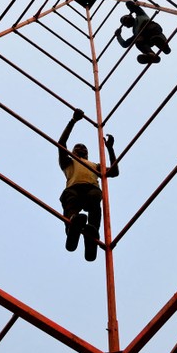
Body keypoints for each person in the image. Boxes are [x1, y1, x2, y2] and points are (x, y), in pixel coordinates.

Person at [58, 108, 119, 261]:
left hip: (91, 188)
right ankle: (72, 225)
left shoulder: (95, 165)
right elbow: (61, 143)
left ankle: (92, 232)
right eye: (77, 147)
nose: (81, 148)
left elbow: (115, 171)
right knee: (70, 199)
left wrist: (110, 149)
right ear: (72, 151)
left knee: (95, 199)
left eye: (84, 147)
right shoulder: (68, 161)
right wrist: (73, 121)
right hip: (74, 188)